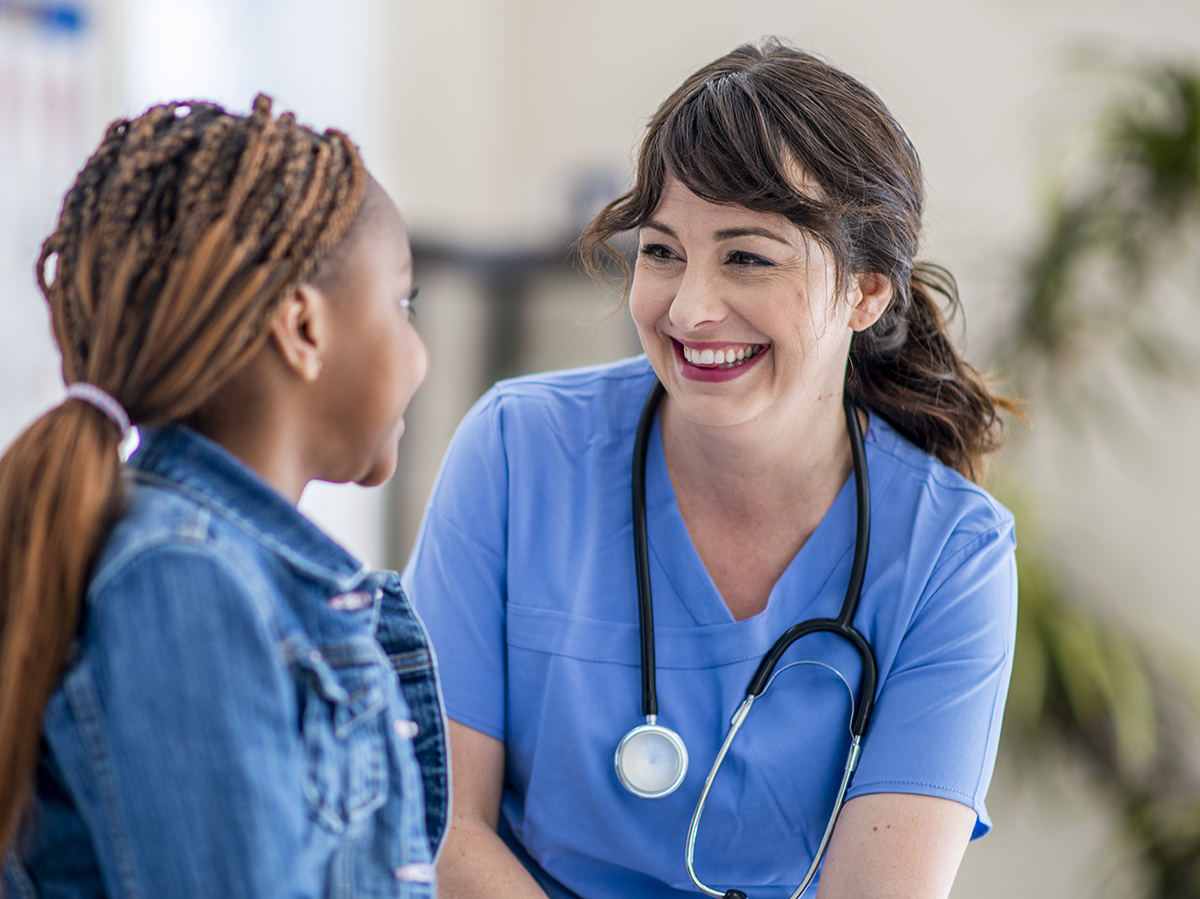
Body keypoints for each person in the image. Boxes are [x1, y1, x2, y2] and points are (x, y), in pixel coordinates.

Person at [403, 39, 1020, 899]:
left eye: (747, 256)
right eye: (661, 251)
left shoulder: (953, 551)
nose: (688, 307)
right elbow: (437, 823)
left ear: (867, 292)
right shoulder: (517, 451)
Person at [0, 95, 446, 897]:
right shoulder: (183, 576)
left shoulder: (221, 566)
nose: (419, 350)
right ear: (302, 327)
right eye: (401, 303)